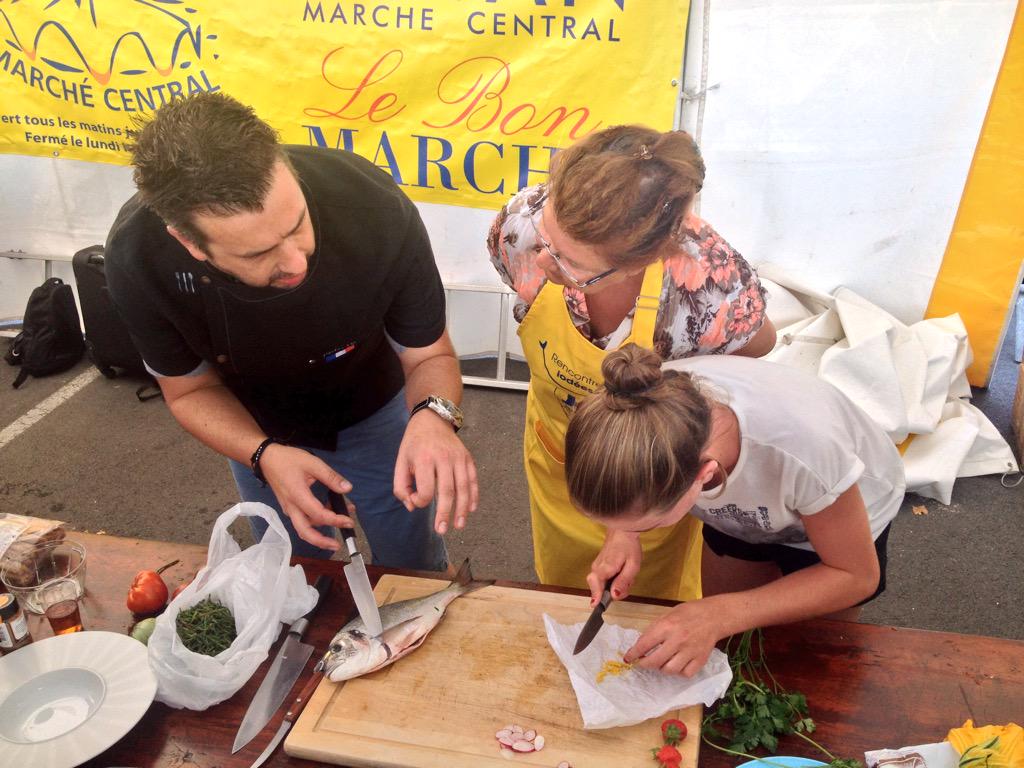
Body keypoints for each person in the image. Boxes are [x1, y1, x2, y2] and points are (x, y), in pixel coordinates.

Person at [105, 92, 478, 568]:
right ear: (187, 241)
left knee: (413, 565)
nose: (296, 261)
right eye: (258, 254)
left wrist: (433, 417)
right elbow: (189, 391)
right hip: (258, 426)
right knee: (293, 574)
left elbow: (429, 356)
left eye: (298, 224)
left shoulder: (371, 203)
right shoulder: (138, 259)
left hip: (377, 408)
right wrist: (263, 455)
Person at [487, 125, 776, 601]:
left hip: (651, 467)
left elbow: (757, 344)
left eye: (573, 266)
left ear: (648, 257)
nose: (545, 266)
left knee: (651, 599)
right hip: (558, 451)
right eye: (548, 242)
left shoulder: (704, 286)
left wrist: (629, 529)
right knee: (562, 589)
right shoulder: (521, 228)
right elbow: (529, 266)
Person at [565, 344, 905, 676]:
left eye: (648, 524)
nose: (638, 530)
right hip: (751, 502)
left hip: (842, 513)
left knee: (812, 659)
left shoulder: (805, 452)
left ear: (705, 476)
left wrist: (721, 614)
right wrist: (623, 534)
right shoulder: (638, 405)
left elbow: (855, 577)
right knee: (728, 645)